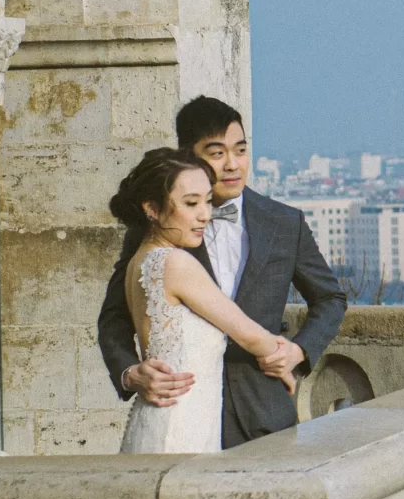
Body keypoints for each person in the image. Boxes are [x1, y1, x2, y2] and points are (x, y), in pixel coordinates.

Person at [97, 98, 350, 447]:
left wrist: (298, 352)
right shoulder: (156, 230)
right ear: (188, 156)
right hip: (181, 410)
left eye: (241, 150)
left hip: (263, 413)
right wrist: (130, 373)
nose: (232, 164)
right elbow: (114, 316)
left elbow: (330, 298)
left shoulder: (284, 222)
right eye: (216, 153)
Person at [109, 149, 302, 453]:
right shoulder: (175, 263)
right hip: (181, 431)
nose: (205, 214)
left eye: (208, 201)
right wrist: (284, 358)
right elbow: (249, 335)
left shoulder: (141, 260)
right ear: (152, 209)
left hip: (162, 423)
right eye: (191, 203)